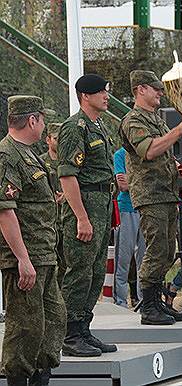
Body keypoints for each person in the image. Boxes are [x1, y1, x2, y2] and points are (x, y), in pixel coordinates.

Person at [0, 96, 67, 385]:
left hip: (45, 254)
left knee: (52, 322)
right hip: (26, 258)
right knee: (25, 329)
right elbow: (5, 212)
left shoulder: (30, 154)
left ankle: (42, 378)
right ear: (32, 120)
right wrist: (23, 259)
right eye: (41, 119)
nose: (43, 124)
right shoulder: (8, 156)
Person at [119, 70, 182, 325]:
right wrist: (177, 131)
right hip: (151, 194)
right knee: (157, 249)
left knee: (168, 251)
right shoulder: (133, 120)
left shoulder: (155, 119)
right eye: (155, 88)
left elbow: (162, 153)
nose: (160, 93)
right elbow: (148, 150)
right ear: (140, 90)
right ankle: (148, 306)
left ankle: (156, 300)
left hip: (166, 192)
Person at [57, 74, 117, 356]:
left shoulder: (98, 125)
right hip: (86, 202)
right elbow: (68, 177)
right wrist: (81, 216)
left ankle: (83, 327)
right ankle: (69, 333)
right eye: (100, 92)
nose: (106, 96)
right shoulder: (74, 127)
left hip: (102, 201)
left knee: (95, 271)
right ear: (85, 96)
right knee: (79, 270)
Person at [113, 146, 145, 308]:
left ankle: (143, 299)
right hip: (126, 208)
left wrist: (131, 179)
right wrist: (145, 182)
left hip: (146, 208)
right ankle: (120, 301)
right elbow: (123, 186)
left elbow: (128, 182)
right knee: (123, 258)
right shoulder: (120, 154)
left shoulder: (146, 151)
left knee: (145, 259)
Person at [40, 122, 66, 287]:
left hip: (66, 219)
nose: (59, 142)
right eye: (56, 138)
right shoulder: (40, 162)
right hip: (48, 220)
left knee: (66, 262)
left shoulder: (69, 160)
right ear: (48, 140)